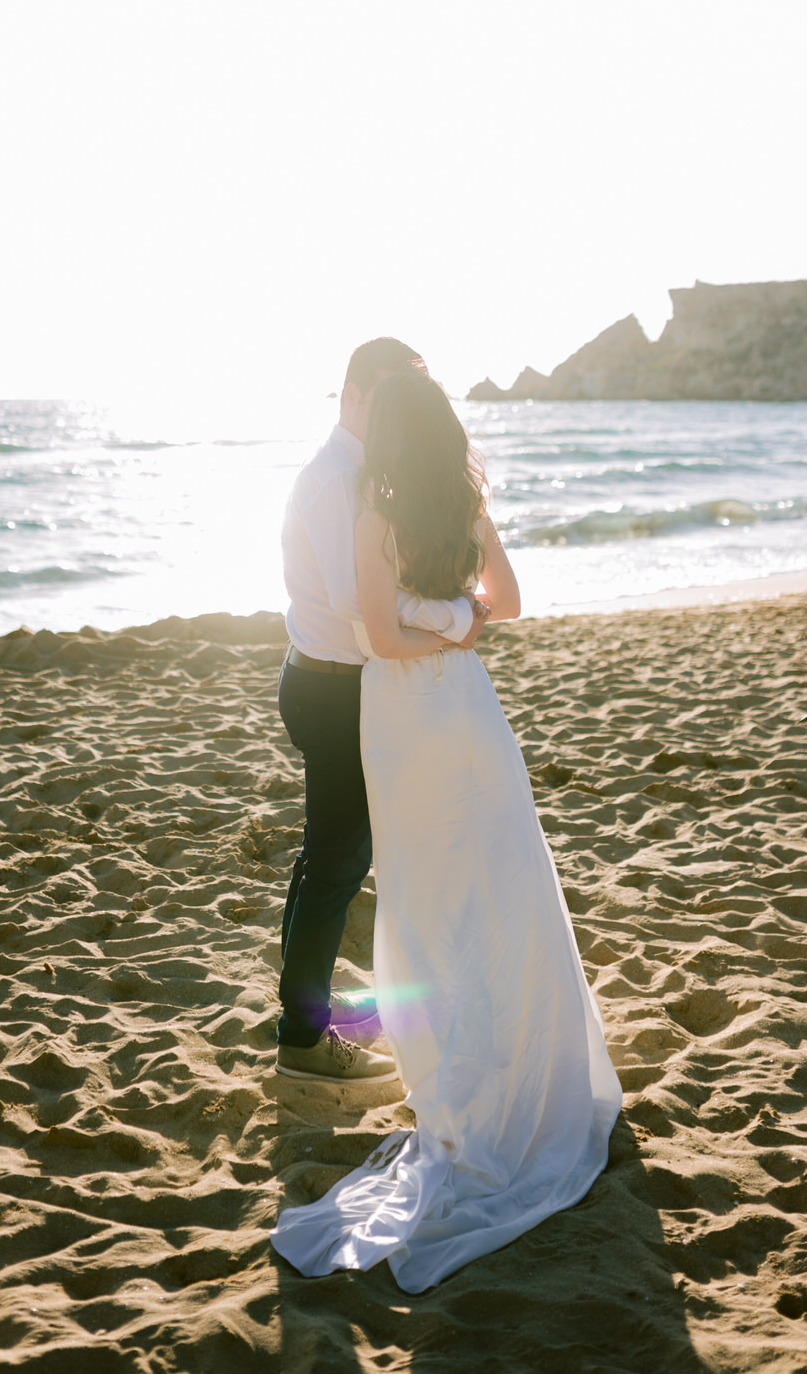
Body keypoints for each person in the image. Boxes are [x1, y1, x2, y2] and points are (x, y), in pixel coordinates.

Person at [270, 370, 622, 1293]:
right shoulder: (465, 506)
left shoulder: (373, 521)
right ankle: (527, 1062)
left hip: (400, 718)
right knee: (501, 872)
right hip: (468, 709)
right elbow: (508, 600)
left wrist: (433, 625)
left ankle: (457, 1076)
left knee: (425, 893)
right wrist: (461, 621)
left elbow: (382, 640)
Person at [276, 339, 488, 1085]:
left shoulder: (360, 476)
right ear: (356, 394)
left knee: (329, 859)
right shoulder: (340, 481)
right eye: (391, 393)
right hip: (332, 686)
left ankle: (307, 1012)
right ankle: (302, 1040)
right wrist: (457, 615)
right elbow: (360, 607)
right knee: (336, 863)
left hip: (333, 679)